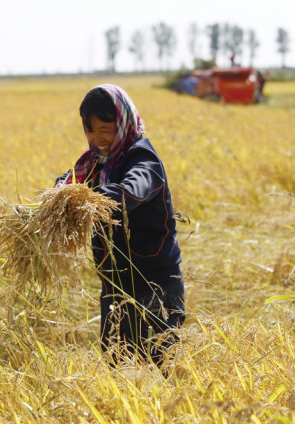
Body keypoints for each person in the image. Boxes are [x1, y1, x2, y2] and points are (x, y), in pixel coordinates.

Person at [56, 84, 185, 367]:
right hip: (115, 281)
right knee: (119, 365)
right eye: (90, 130)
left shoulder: (143, 159)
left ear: (123, 123)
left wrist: (89, 200)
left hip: (154, 282)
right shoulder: (97, 163)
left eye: (105, 129)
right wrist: (60, 195)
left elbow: (131, 190)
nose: (97, 138)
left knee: (161, 365)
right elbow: (68, 182)